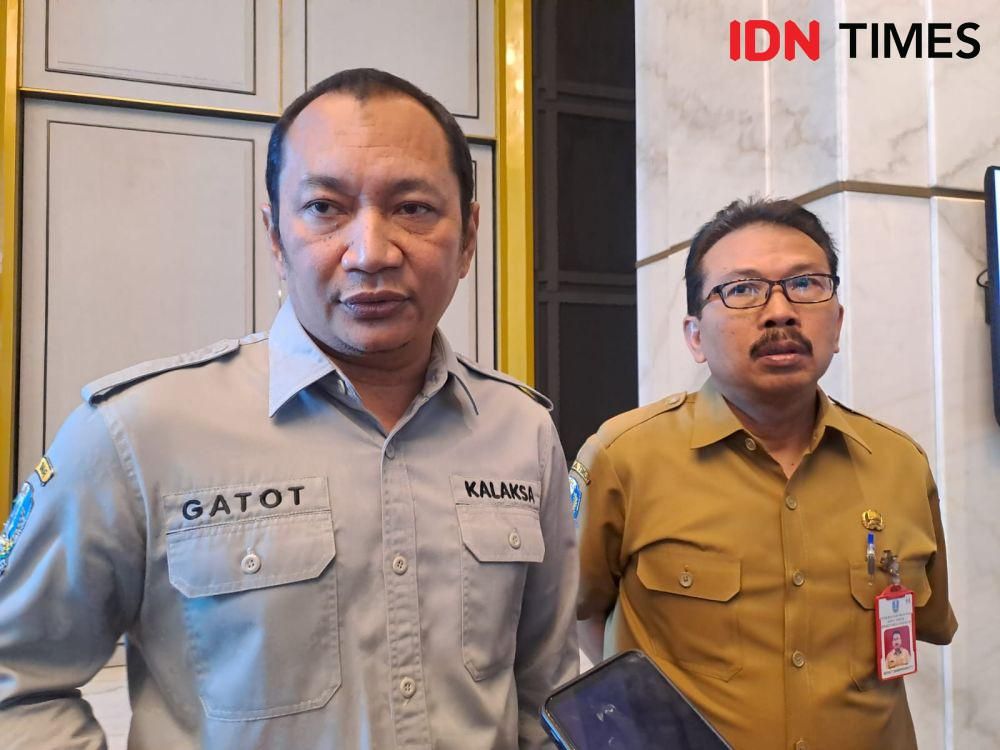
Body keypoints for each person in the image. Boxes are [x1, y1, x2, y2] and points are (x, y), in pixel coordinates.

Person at [0, 68, 579, 749]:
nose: (371, 253)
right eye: (326, 208)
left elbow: (545, 699)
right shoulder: (139, 433)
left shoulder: (522, 432)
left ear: (469, 237)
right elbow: (16, 684)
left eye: (414, 208)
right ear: (276, 236)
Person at [573, 198, 957, 749]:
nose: (780, 311)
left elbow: (925, 621)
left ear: (837, 323)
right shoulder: (622, 458)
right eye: (743, 289)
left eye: (804, 284)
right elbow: (576, 614)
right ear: (695, 336)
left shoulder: (899, 464)